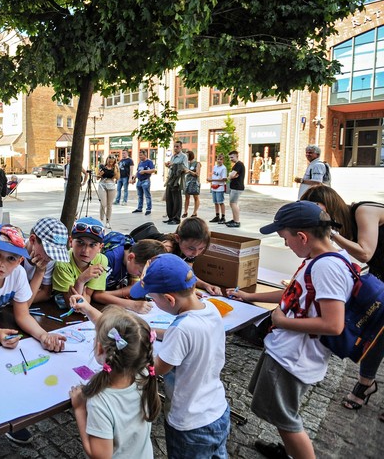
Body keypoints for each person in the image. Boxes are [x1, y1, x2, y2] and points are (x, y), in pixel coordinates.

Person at [231, 201, 353, 459]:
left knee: (287, 421)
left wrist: (283, 321)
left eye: (284, 238)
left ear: (302, 236)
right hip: (285, 351)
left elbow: (333, 324)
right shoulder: (319, 259)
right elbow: (294, 294)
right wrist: (248, 297)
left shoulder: (326, 267)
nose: (285, 244)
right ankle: (288, 452)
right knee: (279, 412)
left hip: (293, 358)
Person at [130, 254, 230, 459]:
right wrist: (149, 329)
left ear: (169, 299)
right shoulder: (209, 308)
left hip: (189, 422)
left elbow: (157, 369)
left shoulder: (181, 329)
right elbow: (188, 340)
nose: (152, 302)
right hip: (217, 409)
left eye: (153, 298)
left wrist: (130, 356)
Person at [300, 185, 384, 416]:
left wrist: (330, 232)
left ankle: (364, 385)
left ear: (329, 206)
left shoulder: (364, 210)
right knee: (375, 332)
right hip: (379, 274)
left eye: (319, 214)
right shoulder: (347, 228)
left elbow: (365, 253)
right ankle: (366, 383)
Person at [68, 305, 160, 459]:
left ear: (99, 349)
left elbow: (100, 456)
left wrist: (79, 410)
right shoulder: (144, 375)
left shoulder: (99, 402)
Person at [0, 224, 67, 352]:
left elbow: (23, 315)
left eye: (11, 258)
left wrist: (43, 335)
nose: (1, 264)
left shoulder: (19, 273)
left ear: (19, 261)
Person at [92, 239, 167, 313]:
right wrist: (132, 305)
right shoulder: (109, 258)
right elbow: (96, 295)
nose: (141, 277)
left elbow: (135, 286)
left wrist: (108, 294)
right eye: (140, 272)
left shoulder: (136, 256)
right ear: (130, 257)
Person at [52, 217, 109, 303]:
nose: (85, 251)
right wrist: (81, 280)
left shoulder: (101, 260)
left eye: (92, 245)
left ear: (100, 248)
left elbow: (87, 298)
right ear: (70, 242)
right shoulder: (62, 262)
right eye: (80, 243)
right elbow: (72, 304)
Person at [23, 217, 70, 305]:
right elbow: (24, 304)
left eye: (55, 253)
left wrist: (40, 272)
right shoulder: (14, 256)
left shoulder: (49, 259)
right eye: (48, 251)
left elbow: (46, 293)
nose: (51, 258)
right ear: (33, 240)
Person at [164, 140, 188, 225]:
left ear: (181, 147)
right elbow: (171, 167)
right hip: (171, 178)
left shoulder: (183, 156)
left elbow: (185, 168)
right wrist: (168, 165)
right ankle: (170, 217)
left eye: (177, 146)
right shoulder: (173, 156)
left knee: (177, 199)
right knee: (169, 198)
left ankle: (176, 218)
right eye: (174, 146)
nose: (175, 148)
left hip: (177, 180)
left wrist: (173, 164)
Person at [96, 155, 118, 227]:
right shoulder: (102, 166)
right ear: (107, 160)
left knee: (109, 205)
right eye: (109, 161)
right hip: (102, 185)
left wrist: (116, 169)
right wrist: (100, 174)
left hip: (111, 185)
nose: (110, 163)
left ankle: (108, 221)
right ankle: (101, 220)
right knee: (103, 204)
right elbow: (97, 177)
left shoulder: (115, 167)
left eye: (112, 162)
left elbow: (117, 177)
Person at [132, 150, 155, 215]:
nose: (140, 157)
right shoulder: (140, 162)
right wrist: (134, 178)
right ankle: (139, 208)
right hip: (139, 181)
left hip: (146, 180)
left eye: (141, 155)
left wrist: (144, 171)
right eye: (139, 155)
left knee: (147, 195)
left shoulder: (149, 162)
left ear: (145, 155)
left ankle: (148, 209)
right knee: (140, 196)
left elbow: (153, 170)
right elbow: (138, 171)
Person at [226, 150, 245, 228]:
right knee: (232, 203)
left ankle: (236, 221)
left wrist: (231, 175)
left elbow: (231, 175)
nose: (231, 159)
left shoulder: (239, 164)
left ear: (237, 156)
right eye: (230, 157)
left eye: (232, 157)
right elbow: (232, 175)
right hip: (234, 187)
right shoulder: (236, 165)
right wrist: (231, 175)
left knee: (233, 203)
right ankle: (234, 220)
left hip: (237, 187)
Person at [209, 154, 228, 224]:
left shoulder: (223, 168)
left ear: (223, 160)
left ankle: (223, 217)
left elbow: (223, 179)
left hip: (219, 187)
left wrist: (212, 180)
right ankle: (217, 216)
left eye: (221, 159)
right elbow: (214, 176)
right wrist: (211, 179)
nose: (219, 161)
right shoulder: (215, 167)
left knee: (220, 202)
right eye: (218, 159)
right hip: (214, 186)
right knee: (215, 202)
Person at [182, 150, 201, 218]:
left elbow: (197, 174)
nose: (186, 157)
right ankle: (185, 211)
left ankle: (194, 212)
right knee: (187, 197)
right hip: (187, 181)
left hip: (194, 182)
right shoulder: (186, 163)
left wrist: (189, 171)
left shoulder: (197, 163)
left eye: (187, 155)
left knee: (195, 197)